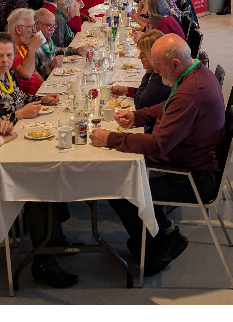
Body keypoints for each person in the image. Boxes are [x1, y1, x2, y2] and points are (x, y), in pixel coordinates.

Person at [89, 35, 225, 276]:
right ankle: (154, 236)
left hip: (192, 178)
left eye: (159, 67)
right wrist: (137, 117)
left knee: (116, 185)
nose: (156, 72)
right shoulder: (195, 73)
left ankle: (164, 239)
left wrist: (110, 139)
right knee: (121, 173)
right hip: (192, 162)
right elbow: (167, 106)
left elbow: (158, 144)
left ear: (174, 63)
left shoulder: (190, 93)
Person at [0, 31, 59, 122]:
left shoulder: (8, 72)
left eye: (9, 55)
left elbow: (18, 96)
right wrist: (21, 114)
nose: (5, 60)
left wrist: (41, 99)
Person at [110, 30, 172, 117]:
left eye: (143, 54)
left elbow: (141, 104)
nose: (139, 56)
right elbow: (149, 96)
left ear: (153, 55)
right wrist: (127, 91)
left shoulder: (161, 77)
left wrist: (147, 74)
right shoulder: (160, 71)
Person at [32, 8, 85, 81]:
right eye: (48, 25)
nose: (52, 29)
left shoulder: (45, 37)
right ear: (37, 24)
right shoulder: (32, 44)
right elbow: (33, 73)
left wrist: (77, 50)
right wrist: (50, 66)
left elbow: (56, 50)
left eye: (54, 26)